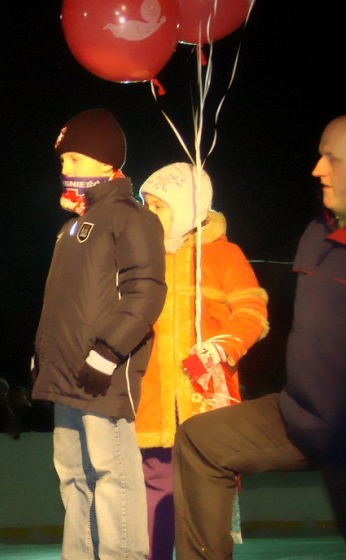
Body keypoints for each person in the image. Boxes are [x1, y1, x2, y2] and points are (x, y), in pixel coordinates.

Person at [173, 116, 346, 558]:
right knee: (200, 439)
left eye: (331, 159)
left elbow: (251, 310)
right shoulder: (318, 233)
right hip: (301, 415)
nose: (317, 170)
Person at [31, 108, 167, 559]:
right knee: (73, 476)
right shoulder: (71, 226)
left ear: (104, 160)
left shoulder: (131, 218)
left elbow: (146, 291)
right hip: (66, 372)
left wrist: (108, 352)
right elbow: (64, 304)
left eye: (74, 158)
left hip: (103, 374)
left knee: (112, 475)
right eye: (63, 160)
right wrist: (42, 355)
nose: (65, 167)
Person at [135, 162, 269, 559]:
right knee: (154, 494)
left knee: (205, 502)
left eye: (158, 206)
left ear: (185, 207)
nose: (149, 214)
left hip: (206, 401)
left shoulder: (225, 255)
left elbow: (252, 312)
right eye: (146, 205)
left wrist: (224, 345)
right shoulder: (142, 259)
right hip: (153, 405)